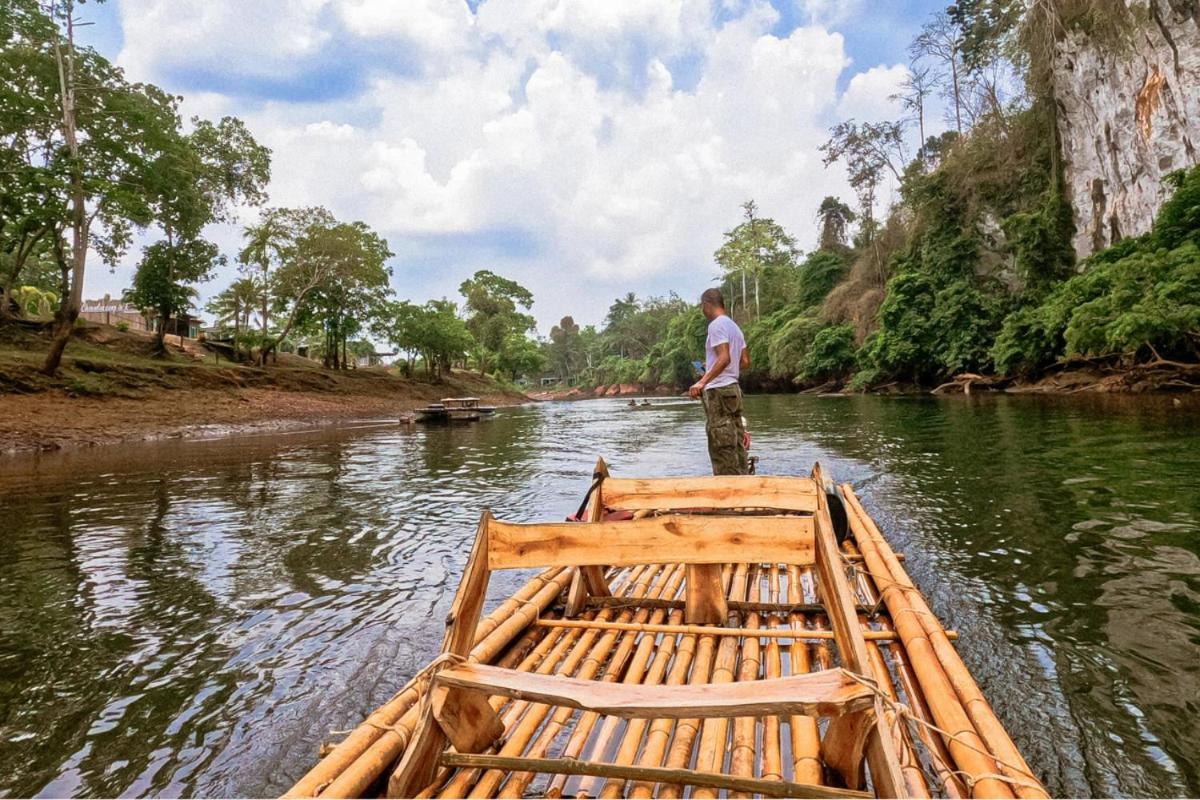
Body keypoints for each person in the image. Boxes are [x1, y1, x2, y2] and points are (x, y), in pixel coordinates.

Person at [688, 288, 750, 475]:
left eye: (702, 306)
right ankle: (744, 487)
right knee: (736, 441)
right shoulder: (735, 328)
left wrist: (702, 382)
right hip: (733, 389)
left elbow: (724, 358)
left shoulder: (716, 325)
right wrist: (713, 366)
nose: (702, 310)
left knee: (721, 444)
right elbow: (744, 362)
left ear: (707, 304)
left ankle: (728, 493)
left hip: (719, 391)